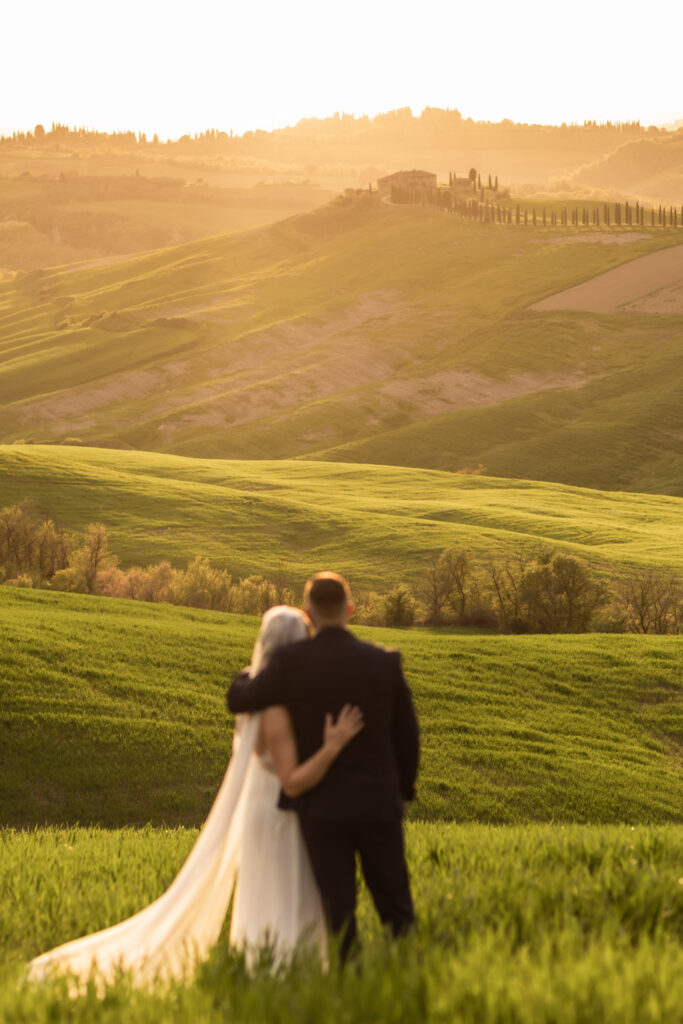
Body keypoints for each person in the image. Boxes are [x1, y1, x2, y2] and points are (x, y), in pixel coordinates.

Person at [26, 605, 361, 988]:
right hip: (279, 812)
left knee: (265, 888)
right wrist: (333, 745)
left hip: (260, 806)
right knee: (287, 887)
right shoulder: (276, 707)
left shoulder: (254, 690)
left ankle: (263, 966)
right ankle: (285, 972)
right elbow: (291, 778)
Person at [228, 572, 420, 963]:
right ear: (350, 609)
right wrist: (403, 790)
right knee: (394, 898)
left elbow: (241, 700)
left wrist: (249, 671)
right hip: (378, 801)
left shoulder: (290, 664)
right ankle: (408, 973)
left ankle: (347, 977)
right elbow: (408, 736)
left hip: (323, 805)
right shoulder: (384, 663)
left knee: (338, 906)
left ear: (308, 613)